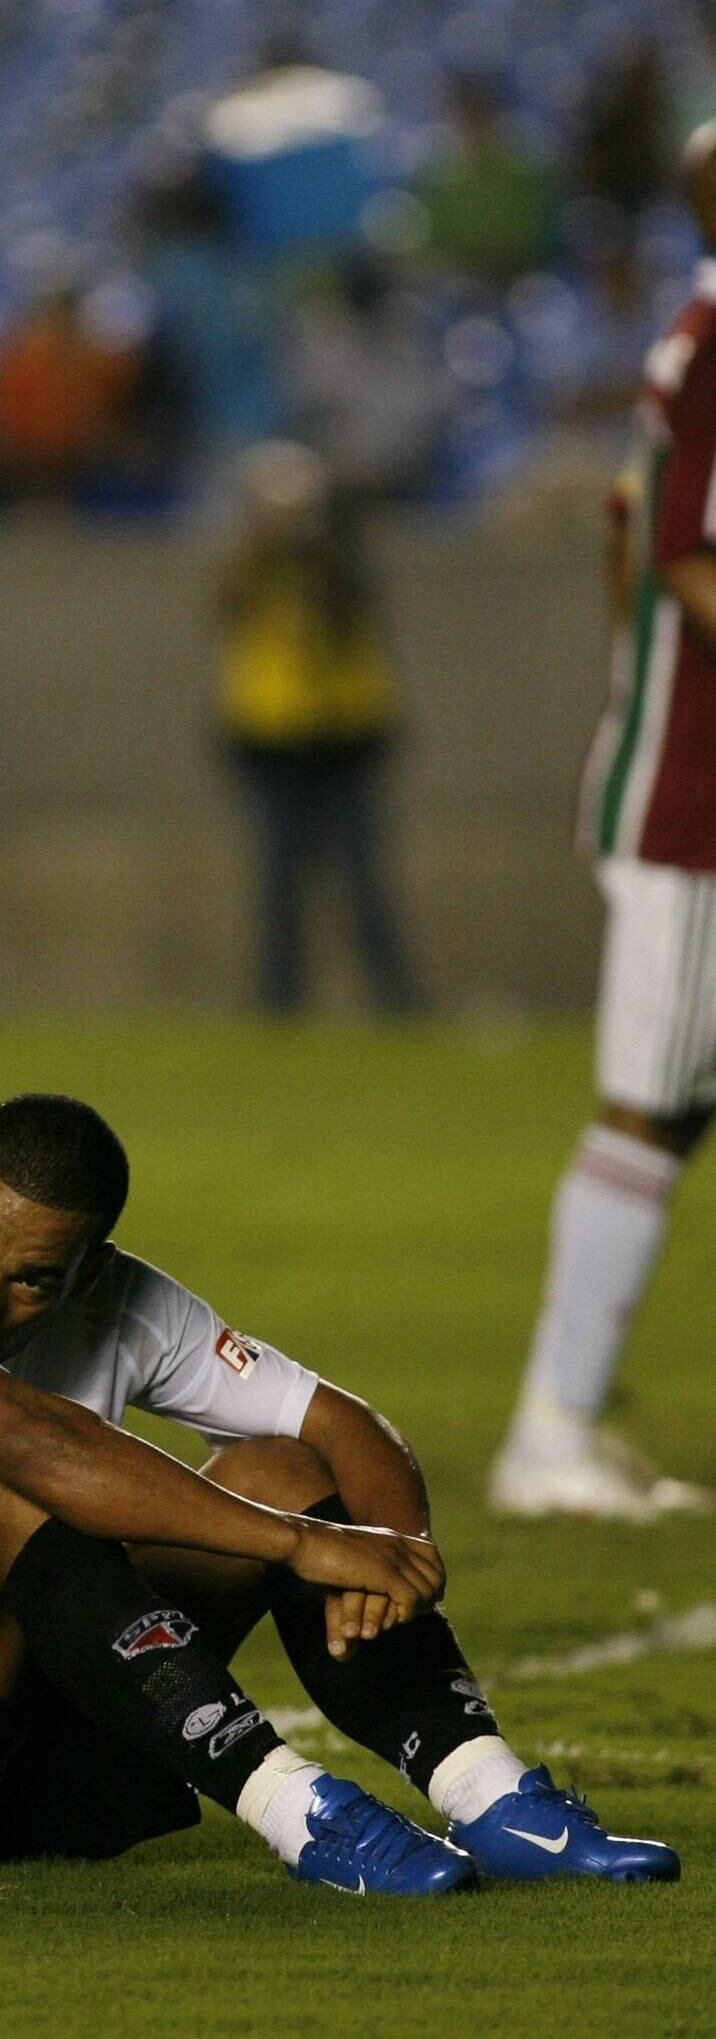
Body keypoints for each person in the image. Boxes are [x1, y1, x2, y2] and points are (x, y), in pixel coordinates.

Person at [0, 1092, 678, 1888]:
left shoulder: (121, 1298)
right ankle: (300, 1811)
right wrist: (299, 1545)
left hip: (13, 1773)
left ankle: (490, 1792)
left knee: (284, 1468)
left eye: (31, 1279)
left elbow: (340, 1422)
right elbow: (26, 1438)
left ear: (87, 1269)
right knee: (6, 1489)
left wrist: (391, 1550)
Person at [489, 126, 716, 1522]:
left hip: (680, 761)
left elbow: (632, 538)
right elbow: (683, 552)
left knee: (679, 1102)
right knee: (649, 1100)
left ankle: (564, 1419)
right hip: (698, 798)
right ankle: (549, 1431)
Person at [210, 441, 420, 1014]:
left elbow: (351, 614)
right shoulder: (248, 563)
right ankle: (280, 1003)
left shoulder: (342, 560)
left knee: (364, 879)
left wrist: (326, 553)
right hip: (269, 735)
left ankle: (396, 1000)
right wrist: (260, 549)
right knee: (277, 882)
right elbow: (223, 607)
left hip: (344, 735)